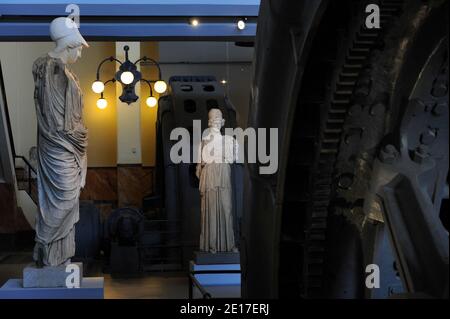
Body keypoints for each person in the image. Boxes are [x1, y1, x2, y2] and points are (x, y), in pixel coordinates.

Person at [32, 17, 89, 266]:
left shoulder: (65, 72)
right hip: (59, 147)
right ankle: (45, 245)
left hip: (67, 146)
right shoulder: (52, 70)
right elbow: (58, 124)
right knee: (65, 197)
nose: (79, 52)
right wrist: (80, 136)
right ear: (69, 45)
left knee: (70, 198)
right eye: (77, 47)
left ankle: (59, 255)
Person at [196, 108, 238, 253]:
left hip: (223, 175)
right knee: (211, 210)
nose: (216, 121)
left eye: (218, 118)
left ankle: (229, 244)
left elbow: (232, 159)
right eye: (213, 119)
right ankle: (211, 244)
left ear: (222, 122)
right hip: (210, 177)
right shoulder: (204, 142)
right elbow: (198, 167)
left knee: (226, 209)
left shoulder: (230, 140)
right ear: (209, 122)